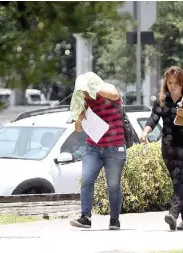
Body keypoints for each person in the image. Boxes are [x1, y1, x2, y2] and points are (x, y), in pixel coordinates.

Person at [140, 66, 183, 231]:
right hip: (169, 148)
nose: (172, 86)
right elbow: (153, 118)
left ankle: (173, 214)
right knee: (178, 182)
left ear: (182, 83)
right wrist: (145, 132)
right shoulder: (162, 99)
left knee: (181, 179)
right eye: (169, 83)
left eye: (175, 83)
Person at [69, 72, 127, 230]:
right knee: (87, 180)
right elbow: (78, 128)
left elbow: (115, 94)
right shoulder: (85, 103)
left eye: (85, 90)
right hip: (93, 148)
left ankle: (114, 220)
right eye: (81, 91)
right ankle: (85, 217)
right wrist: (80, 113)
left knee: (113, 185)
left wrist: (94, 88)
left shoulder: (109, 92)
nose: (85, 93)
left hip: (115, 147)